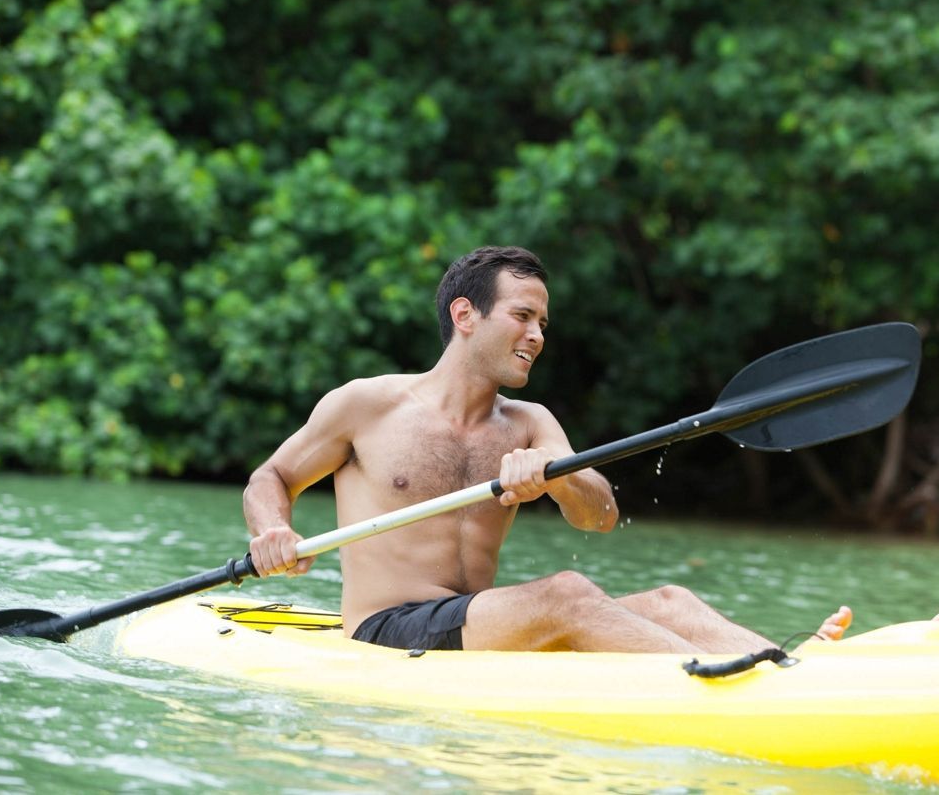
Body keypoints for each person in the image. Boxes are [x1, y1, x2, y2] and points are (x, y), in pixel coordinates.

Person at [244, 246, 853, 653]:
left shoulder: (530, 422)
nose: (537, 335)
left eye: (543, 323)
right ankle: (738, 686)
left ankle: (786, 664)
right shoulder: (367, 405)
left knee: (673, 601)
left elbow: (601, 516)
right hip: (387, 631)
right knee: (566, 593)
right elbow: (272, 476)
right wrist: (272, 531)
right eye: (523, 316)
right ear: (466, 314)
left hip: (479, 616)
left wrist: (557, 478)